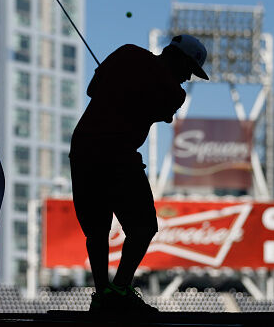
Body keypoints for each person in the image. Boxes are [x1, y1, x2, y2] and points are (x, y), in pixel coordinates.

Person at [69, 35, 209, 314]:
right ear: (179, 58)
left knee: (96, 231)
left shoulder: (127, 52)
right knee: (143, 227)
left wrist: (120, 85)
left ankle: (102, 297)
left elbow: (92, 89)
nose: (187, 79)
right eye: (188, 71)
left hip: (83, 150)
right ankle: (119, 290)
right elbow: (164, 114)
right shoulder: (175, 93)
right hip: (117, 155)